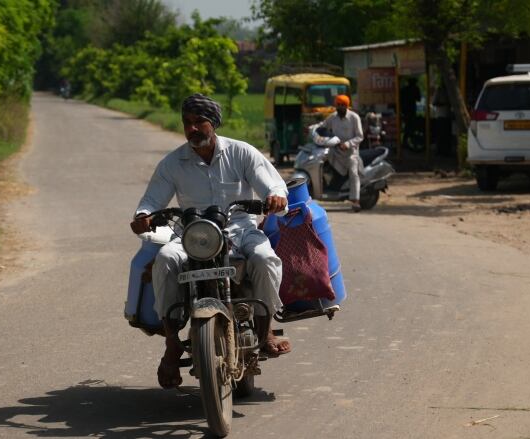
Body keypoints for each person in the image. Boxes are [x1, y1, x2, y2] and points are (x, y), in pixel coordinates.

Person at [129, 93, 291, 389]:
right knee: (164, 260)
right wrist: (143, 215)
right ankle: (171, 344)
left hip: (239, 230)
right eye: (186, 123)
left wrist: (275, 196)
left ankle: (265, 330)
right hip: (190, 234)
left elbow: (272, 181)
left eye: (198, 123)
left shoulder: (241, 153)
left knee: (266, 259)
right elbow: (151, 200)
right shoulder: (173, 163)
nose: (192, 129)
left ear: (213, 124)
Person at [318, 94, 364, 211]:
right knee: (320, 161)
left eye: (343, 105)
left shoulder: (354, 117)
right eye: (338, 105)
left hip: (351, 153)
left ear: (347, 106)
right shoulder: (332, 118)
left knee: (353, 173)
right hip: (336, 152)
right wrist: (311, 128)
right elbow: (322, 126)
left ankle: (356, 200)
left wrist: (347, 144)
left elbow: (360, 136)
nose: (340, 107)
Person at [400, 77, 421, 148]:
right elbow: (418, 99)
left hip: (405, 110)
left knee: (408, 126)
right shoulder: (415, 89)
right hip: (411, 110)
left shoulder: (404, 89)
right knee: (410, 126)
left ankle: (407, 141)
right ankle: (409, 141)